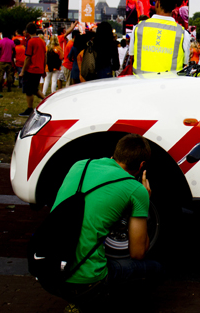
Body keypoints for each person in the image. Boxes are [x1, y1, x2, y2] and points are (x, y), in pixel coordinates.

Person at [51, 134, 161, 312]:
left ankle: (78, 299)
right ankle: (96, 301)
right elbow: (138, 252)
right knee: (155, 269)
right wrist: (145, 203)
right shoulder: (136, 189)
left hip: (50, 272)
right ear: (141, 165)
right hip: (85, 281)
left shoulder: (80, 165)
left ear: (115, 154)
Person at [130, 0, 190, 74]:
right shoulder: (183, 34)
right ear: (174, 6)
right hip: (169, 82)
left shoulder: (138, 28)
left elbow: (132, 56)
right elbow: (185, 62)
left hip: (140, 82)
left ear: (157, 3)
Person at [19, 22, 46, 117]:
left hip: (31, 69)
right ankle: (45, 100)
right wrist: (43, 69)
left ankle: (30, 108)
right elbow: (44, 56)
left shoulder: (30, 41)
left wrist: (23, 71)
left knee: (29, 90)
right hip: (39, 68)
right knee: (34, 89)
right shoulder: (42, 41)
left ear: (27, 31)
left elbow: (28, 57)